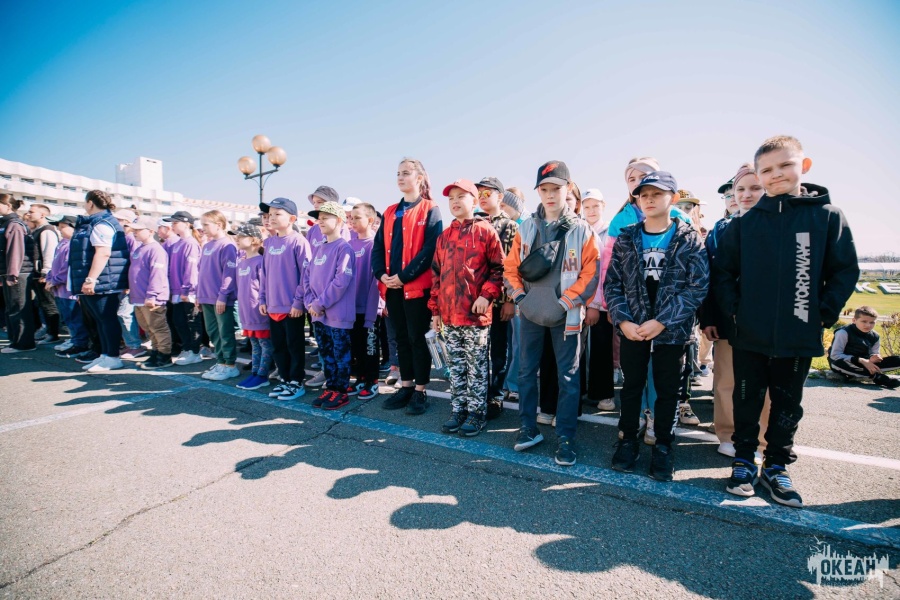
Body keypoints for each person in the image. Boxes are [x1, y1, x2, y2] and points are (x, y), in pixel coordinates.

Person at [715, 135, 859, 507]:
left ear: (804, 166)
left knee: (787, 403)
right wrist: (735, 312)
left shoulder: (827, 217)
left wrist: (821, 314)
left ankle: (776, 464)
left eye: (784, 165)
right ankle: (743, 460)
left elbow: (845, 271)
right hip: (750, 334)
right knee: (746, 399)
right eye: (766, 170)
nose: (775, 175)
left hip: (798, 334)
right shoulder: (744, 224)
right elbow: (723, 272)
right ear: (758, 175)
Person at [605, 171, 709, 482]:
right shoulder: (627, 237)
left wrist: (662, 321)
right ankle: (627, 441)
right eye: (644, 195)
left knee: (667, 391)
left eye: (657, 194)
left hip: (672, 331)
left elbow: (697, 286)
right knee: (631, 387)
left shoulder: (689, 238)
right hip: (633, 328)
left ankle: (663, 445)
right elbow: (613, 284)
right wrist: (623, 320)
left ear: (672, 198)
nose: (649, 200)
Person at [504, 160, 599, 467]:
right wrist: (520, 298)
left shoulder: (582, 230)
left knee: (568, 376)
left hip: (567, 316)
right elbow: (510, 268)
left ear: (567, 189)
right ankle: (528, 428)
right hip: (530, 313)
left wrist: (566, 302)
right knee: (526, 372)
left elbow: (591, 274)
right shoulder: (526, 227)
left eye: (555, 188)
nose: (549, 195)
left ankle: (566, 437)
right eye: (544, 189)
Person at [701, 164, 771, 458]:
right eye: (739, 189)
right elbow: (709, 275)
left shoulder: (780, 224)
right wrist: (708, 318)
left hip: (768, 322)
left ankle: (764, 440)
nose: (746, 195)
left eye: (755, 188)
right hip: (728, 319)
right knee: (727, 380)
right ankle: (728, 434)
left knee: (766, 385)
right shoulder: (720, 229)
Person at [430, 179, 505, 436]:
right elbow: (436, 276)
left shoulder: (486, 231)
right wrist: (435, 311)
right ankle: (458, 409)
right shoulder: (444, 237)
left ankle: (476, 413)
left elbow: (499, 269)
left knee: (477, 369)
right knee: (456, 367)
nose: (455, 202)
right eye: (451, 198)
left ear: (474, 201)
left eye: (461, 196)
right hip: (450, 316)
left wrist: (486, 295)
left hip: (476, 317)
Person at [372, 157, 443, 415]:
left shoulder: (430, 209)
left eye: (406, 173)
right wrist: (381, 275)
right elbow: (378, 247)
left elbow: (430, 250)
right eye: (398, 173)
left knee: (417, 338)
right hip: (392, 287)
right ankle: (406, 385)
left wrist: (404, 276)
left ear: (419, 178)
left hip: (416, 288)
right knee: (401, 338)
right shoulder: (391, 211)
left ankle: (420, 390)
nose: (400, 178)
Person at [68, 190, 130, 372]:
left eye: (85, 202)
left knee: (106, 319)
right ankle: (105, 355)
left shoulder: (103, 223)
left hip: (103, 281)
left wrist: (91, 279)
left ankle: (113, 357)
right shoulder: (94, 222)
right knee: (99, 320)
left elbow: (103, 253)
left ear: (90, 203)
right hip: (98, 280)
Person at [303, 201, 355, 410]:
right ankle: (331, 387)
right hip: (318, 314)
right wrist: (310, 302)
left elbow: (341, 281)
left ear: (339, 221)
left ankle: (341, 391)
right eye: (319, 218)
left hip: (337, 315)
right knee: (326, 354)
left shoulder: (344, 248)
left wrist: (319, 303)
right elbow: (307, 278)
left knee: (340, 354)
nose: (320, 222)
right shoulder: (319, 248)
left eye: (325, 218)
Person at [259, 197, 312, 402]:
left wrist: (298, 302)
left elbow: (306, 275)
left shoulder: (298, 241)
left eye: (277, 214)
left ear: (291, 218)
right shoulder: (269, 242)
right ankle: (285, 378)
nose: (271, 218)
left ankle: (296, 382)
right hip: (273, 306)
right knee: (279, 347)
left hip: (292, 308)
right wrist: (263, 299)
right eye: (270, 214)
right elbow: (264, 274)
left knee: (294, 346)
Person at [475, 176, 518, 417]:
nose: (482, 198)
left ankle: (496, 395)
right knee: (478, 351)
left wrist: (510, 300)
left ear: (500, 197)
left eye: (487, 193)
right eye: (479, 193)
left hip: (499, 301)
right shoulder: (473, 223)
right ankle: (479, 394)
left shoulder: (509, 225)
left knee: (499, 351)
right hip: (475, 301)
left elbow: (512, 266)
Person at [580, 188, 615, 411]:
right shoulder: (579, 230)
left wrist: (597, 304)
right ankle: (582, 390)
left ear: (603, 206)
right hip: (579, 300)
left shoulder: (611, 231)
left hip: (601, 302)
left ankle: (603, 394)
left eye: (595, 206)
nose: (591, 210)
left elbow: (606, 271)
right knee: (580, 350)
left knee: (602, 349)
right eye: (587, 206)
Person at [197, 210, 239, 381]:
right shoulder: (207, 246)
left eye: (206, 225)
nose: (203, 228)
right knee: (213, 331)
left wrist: (223, 295)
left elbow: (230, 273)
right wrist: (199, 295)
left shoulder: (227, 245)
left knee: (225, 332)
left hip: (220, 299)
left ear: (219, 225)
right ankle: (221, 361)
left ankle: (230, 365)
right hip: (206, 296)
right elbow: (201, 272)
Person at [231, 223, 273, 390]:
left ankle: (262, 375)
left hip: (258, 311)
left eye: (241, 236)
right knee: (254, 343)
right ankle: (255, 372)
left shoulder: (261, 261)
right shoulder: (242, 263)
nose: (237, 239)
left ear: (254, 240)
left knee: (265, 343)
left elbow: (265, 286)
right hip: (246, 311)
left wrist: (263, 303)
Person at [127, 216, 172, 370]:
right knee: (149, 328)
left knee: (158, 327)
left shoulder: (156, 249)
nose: (135, 232)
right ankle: (155, 351)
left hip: (151, 298)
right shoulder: (139, 249)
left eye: (139, 230)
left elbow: (157, 274)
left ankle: (164, 355)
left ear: (151, 231)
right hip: (139, 298)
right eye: (134, 229)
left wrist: (152, 295)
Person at [348, 202, 382, 400]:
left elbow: (377, 280)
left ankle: (372, 381)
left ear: (370, 220)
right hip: (351, 308)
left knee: (370, 348)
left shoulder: (375, 244)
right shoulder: (349, 245)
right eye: (351, 218)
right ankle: (360, 379)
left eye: (357, 218)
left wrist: (374, 309)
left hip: (369, 308)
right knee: (357, 346)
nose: (352, 221)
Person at [162, 211, 204, 365]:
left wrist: (188, 290)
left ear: (187, 224)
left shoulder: (190, 243)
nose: (172, 225)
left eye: (175, 222)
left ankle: (194, 351)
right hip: (176, 290)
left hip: (187, 291)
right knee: (178, 321)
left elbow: (191, 269)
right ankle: (187, 348)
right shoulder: (177, 243)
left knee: (191, 321)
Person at [44, 215, 89, 356]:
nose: (59, 229)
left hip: (69, 290)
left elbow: (66, 268)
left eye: (63, 227)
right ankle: (74, 340)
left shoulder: (73, 245)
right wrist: (49, 278)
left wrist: (55, 280)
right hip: (59, 289)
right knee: (68, 317)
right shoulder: (62, 243)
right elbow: (54, 265)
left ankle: (80, 343)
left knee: (75, 318)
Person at [0, 194, 38, 353]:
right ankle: (15, 341)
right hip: (11, 271)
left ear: (8, 206)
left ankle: (24, 343)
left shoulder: (14, 224)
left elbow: (16, 251)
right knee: (12, 308)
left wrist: (12, 274)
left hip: (18, 272)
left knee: (19, 308)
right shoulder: (7, 223)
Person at [829, 306, 899, 388]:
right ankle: (876, 377)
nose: (868, 325)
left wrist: (874, 357)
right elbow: (835, 355)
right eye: (864, 321)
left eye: (872, 322)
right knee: (838, 364)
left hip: (867, 364)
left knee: (898, 360)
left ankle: (868, 374)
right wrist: (860, 360)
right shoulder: (843, 333)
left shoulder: (875, 336)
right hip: (846, 362)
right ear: (854, 320)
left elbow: (874, 353)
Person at [24, 203, 61, 346]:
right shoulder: (37, 230)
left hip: (43, 275)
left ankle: (53, 334)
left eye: (32, 212)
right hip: (37, 274)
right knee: (43, 304)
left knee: (49, 304)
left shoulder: (47, 231)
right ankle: (49, 331)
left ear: (42, 214)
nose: (28, 214)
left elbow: (49, 253)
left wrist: (46, 273)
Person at [113, 209, 146, 359]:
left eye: (119, 220)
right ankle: (130, 344)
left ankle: (134, 346)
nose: (117, 222)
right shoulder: (122, 237)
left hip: (130, 285)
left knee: (125, 314)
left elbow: (134, 264)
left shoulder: (132, 239)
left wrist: (128, 284)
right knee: (124, 314)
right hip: (123, 283)